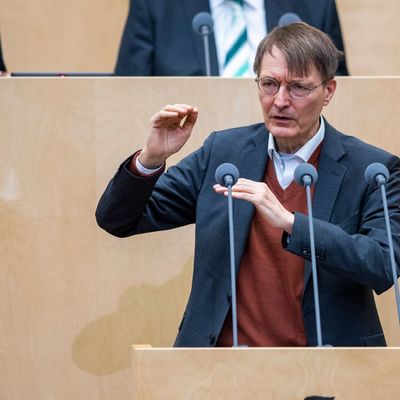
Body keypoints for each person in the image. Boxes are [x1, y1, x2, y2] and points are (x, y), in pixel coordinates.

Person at [97, 22, 400, 347]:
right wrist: (151, 159)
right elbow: (118, 219)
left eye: (298, 87)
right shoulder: (223, 153)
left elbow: (383, 264)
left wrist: (292, 223)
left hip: (326, 374)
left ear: (328, 91)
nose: (280, 100)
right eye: (269, 84)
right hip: (223, 371)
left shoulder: (372, 169)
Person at [115, 0, 348, 76]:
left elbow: (339, 91)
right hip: (189, 155)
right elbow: (127, 94)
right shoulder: (155, 5)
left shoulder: (314, 5)